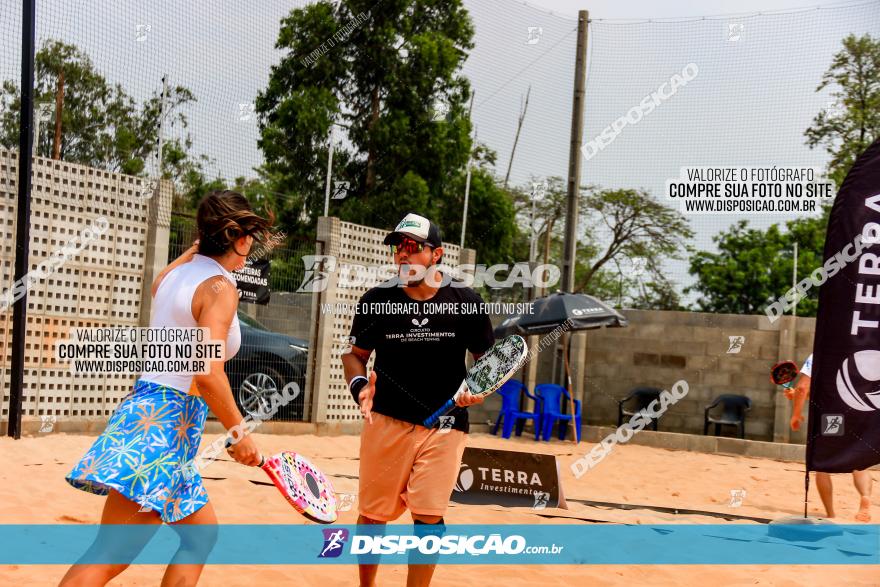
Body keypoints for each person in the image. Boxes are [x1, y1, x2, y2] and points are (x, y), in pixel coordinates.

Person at [60, 190, 273, 586]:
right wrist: (239, 433)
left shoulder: (175, 275)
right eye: (251, 238)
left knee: (201, 535)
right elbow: (208, 371)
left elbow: (161, 282)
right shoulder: (220, 287)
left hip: (159, 415)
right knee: (110, 555)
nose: (252, 249)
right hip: (164, 423)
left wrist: (197, 248)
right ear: (239, 238)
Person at [341, 213, 495, 587]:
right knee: (373, 516)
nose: (403, 256)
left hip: (445, 426)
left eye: (412, 247)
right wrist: (360, 385)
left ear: (436, 254)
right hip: (387, 420)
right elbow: (354, 354)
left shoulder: (466, 303)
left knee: (428, 517)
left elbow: (489, 362)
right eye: (398, 248)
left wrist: (482, 388)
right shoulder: (377, 301)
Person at [788, 353, 873, 522]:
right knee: (860, 463)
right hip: (860, 413)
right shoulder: (862, 352)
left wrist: (796, 414)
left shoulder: (819, 353)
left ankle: (831, 513)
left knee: (822, 465)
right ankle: (865, 496)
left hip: (833, 415)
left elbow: (803, 387)